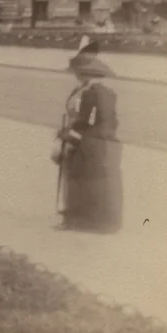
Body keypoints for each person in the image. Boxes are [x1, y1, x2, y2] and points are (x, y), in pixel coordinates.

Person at [53, 52, 122, 233]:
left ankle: (76, 220)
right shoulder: (106, 92)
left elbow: (86, 121)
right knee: (98, 182)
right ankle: (94, 220)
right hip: (103, 142)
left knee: (78, 179)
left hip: (89, 142)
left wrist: (69, 137)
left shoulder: (91, 93)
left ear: (85, 73)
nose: (75, 75)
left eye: (77, 72)